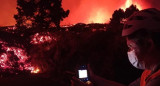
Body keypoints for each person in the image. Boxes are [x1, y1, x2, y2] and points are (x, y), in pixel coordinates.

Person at [71, 8, 160, 86]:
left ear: (149, 44)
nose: (129, 51)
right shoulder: (149, 72)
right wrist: (94, 78)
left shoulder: (156, 81)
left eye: (131, 47)